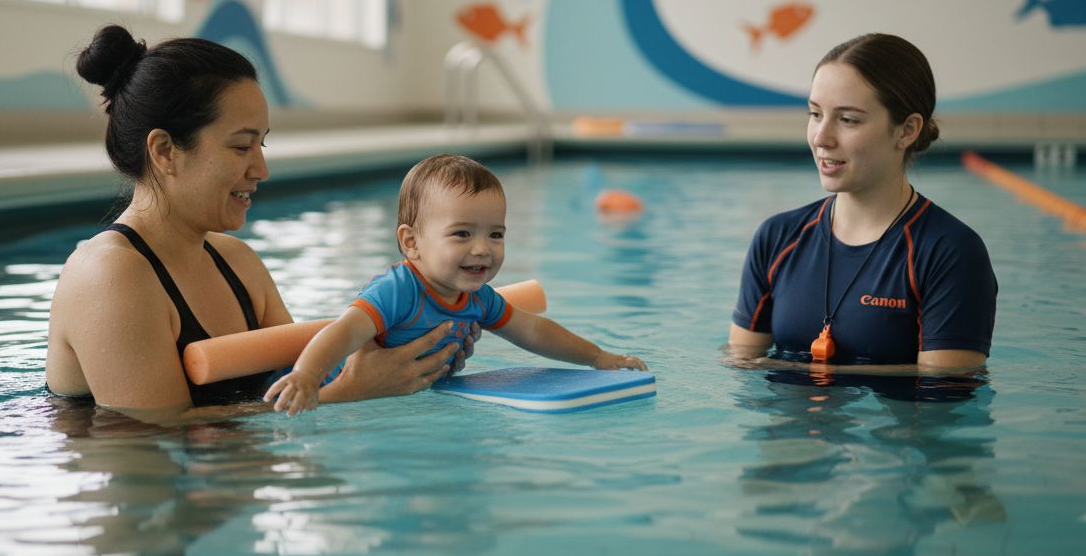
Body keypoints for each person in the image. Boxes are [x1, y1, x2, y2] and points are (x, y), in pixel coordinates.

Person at [46, 25, 476, 418]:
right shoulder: (110, 274)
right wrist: (351, 392)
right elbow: (151, 432)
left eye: (262, 144)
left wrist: (415, 350)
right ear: (164, 151)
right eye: (241, 147)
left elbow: (294, 381)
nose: (261, 170)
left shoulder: (237, 262)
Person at [265, 154, 648, 415]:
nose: (482, 249)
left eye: (495, 234)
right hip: (338, 397)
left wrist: (599, 358)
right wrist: (307, 377)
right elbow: (344, 331)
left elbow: (533, 330)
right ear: (411, 242)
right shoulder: (399, 289)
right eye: (462, 233)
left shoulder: (478, 298)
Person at [728, 33, 997, 372]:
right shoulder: (778, 238)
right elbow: (739, 363)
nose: (821, 138)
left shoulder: (949, 251)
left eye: (848, 120)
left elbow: (944, 387)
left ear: (907, 130)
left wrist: (808, 373)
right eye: (815, 114)